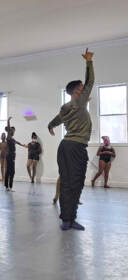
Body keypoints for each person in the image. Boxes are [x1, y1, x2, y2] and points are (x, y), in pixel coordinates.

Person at [48, 48, 94, 231]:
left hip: (65, 147)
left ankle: (67, 219)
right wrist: (89, 61)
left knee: (67, 182)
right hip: (75, 147)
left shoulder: (66, 106)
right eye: (82, 90)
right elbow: (91, 82)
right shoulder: (78, 101)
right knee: (75, 182)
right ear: (77, 91)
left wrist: (49, 126)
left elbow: (57, 119)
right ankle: (69, 218)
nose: (85, 92)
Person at [4, 117, 27, 191]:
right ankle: (9, 187)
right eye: (12, 130)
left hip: (12, 156)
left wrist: (24, 145)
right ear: (10, 131)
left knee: (9, 171)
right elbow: (9, 129)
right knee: (12, 171)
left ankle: (8, 187)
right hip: (10, 156)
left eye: (14, 131)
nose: (13, 132)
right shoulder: (9, 137)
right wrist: (8, 121)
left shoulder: (12, 139)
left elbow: (18, 142)